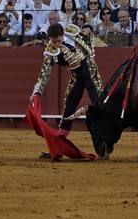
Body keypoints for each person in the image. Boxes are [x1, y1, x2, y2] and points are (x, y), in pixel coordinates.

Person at [31, 21, 104, 157]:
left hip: (91, 75)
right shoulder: (51, 50)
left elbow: (89, 39)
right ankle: (59, 147)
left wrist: (91, 54)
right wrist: (36, 91)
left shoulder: (73, 32)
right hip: (76, 78)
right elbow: (44, 73)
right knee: (68, 111)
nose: (57, 44)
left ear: (63, 34)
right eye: (54, 42)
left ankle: (105, 142)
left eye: (58, 41)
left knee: (99, 108)